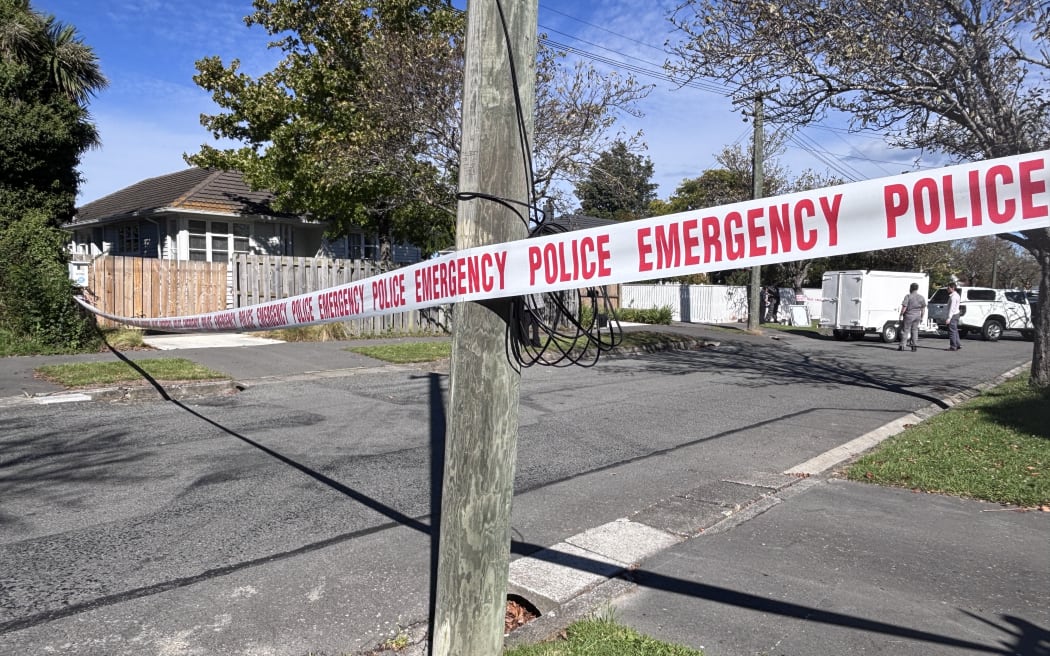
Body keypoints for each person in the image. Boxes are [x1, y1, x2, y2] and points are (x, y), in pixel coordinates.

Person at [899, 282, 927, 352]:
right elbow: (923, 309)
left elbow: (904, 307)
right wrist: (922, 317)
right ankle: (914, 346)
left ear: (911, 288)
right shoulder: (921, 297)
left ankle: (902, 346)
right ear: (917, 289)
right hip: (917, 316)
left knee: (906, 330)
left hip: (909, 316)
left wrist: (901, 314)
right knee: (914, 331)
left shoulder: (908, 296)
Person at [946, 282, 962, 351]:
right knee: (955, 330)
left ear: (952, 288)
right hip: (956, 314)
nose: (947, 289)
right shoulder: (956, 295)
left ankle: (953, 346)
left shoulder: (953, 297)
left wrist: (949, 318)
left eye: (948, 288)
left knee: (952, 331)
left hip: (953, 315)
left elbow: (952, 308)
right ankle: (958, 344)